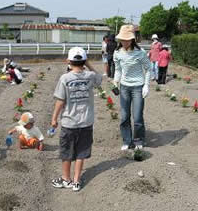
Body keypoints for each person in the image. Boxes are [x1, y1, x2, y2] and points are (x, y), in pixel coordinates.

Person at [51, 47, 102, 192]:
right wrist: (89, 64)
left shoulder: (65, 78)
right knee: (81, 152)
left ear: (68, 61)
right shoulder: (90, 76)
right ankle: (76, 180)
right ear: (84, 62)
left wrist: (54, 118)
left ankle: (66, 179)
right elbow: (100, 78)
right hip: (86, 122)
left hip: (69, 122)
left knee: (67, 152)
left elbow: (60, 101)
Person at [113, 25, 151, 151]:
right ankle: (127, 140)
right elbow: (118, 70)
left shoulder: (140, 53)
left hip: (138, 87)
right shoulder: (117, 53)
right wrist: (115, 81)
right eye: (122, 40)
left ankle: (139, 139)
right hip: (124, 87)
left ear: (132, 40)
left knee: (137, 116)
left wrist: (146, 85)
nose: (124, 42)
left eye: (127, 39)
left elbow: (148, 69)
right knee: (124, 116)